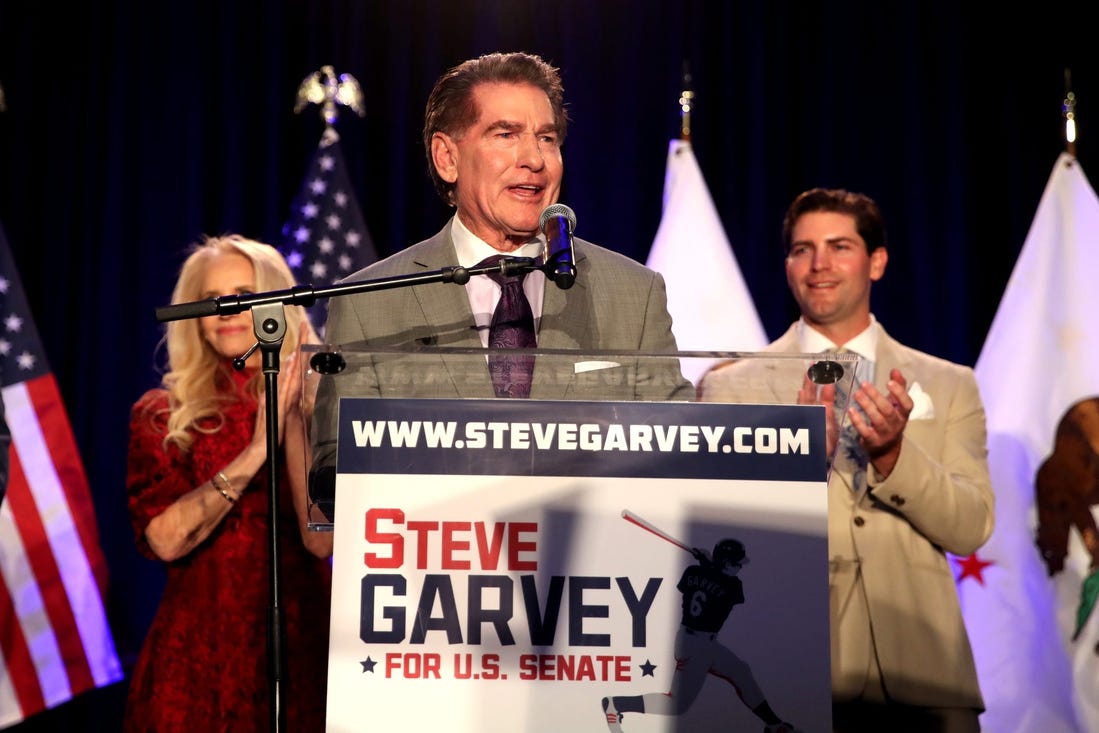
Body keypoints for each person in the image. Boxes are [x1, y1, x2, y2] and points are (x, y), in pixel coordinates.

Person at [309, 52, 692, 514]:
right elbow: (335, 475)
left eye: (546, 139)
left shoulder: (635, 293)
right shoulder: (370, 301)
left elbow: (680, 452)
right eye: (506, 135)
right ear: (447, 157)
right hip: (435, 570)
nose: (534, 159)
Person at [700, 188, 994, 732]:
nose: (819, 265)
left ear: (876, 261)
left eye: (839, 246)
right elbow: (722, 541)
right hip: (790, 671)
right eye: (801, 249)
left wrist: (894, 457)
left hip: (923, 676)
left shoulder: (950, 384)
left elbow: (971, 527)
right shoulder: (730, 387)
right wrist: (798, 466)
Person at [125, 234, 333, 732]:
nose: (227, 310)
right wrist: (256, 450)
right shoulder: (163, 414)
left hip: (300, 642)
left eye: (243, 294)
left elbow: (319, 540)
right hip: (197, 657)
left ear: (278, 302)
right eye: (212, 299)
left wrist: (296, 418)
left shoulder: (323, 402)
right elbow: (164, 539)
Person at [600, 539, 802, 733]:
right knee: (677, 706)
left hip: (699, 642)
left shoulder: (692, 571)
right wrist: (709, 565)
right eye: (736, 564)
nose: (740, 568)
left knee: (741, 671)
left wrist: (707, 565)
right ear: (725, 563)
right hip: (695, 647)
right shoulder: (733, 586)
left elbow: (697, 581)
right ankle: (616, 704)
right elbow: (726, 587)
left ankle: (775, 725)